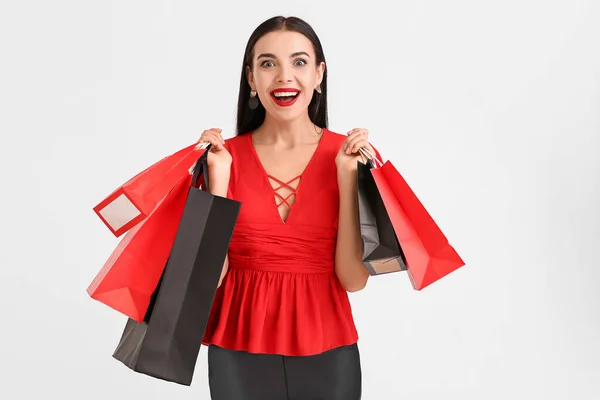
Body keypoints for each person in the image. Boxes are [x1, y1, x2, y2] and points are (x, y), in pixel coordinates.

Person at [196, 15, 381, 400]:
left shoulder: (347, 156)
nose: (284, 76)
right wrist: (218, 181)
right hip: (238, 349)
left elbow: (353, 280)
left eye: (298, 62)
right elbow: (208, 278)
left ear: (319, 74)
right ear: (251, 78)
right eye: (268, 63)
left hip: (329, 350)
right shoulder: (223, 159)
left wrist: (348, 178)